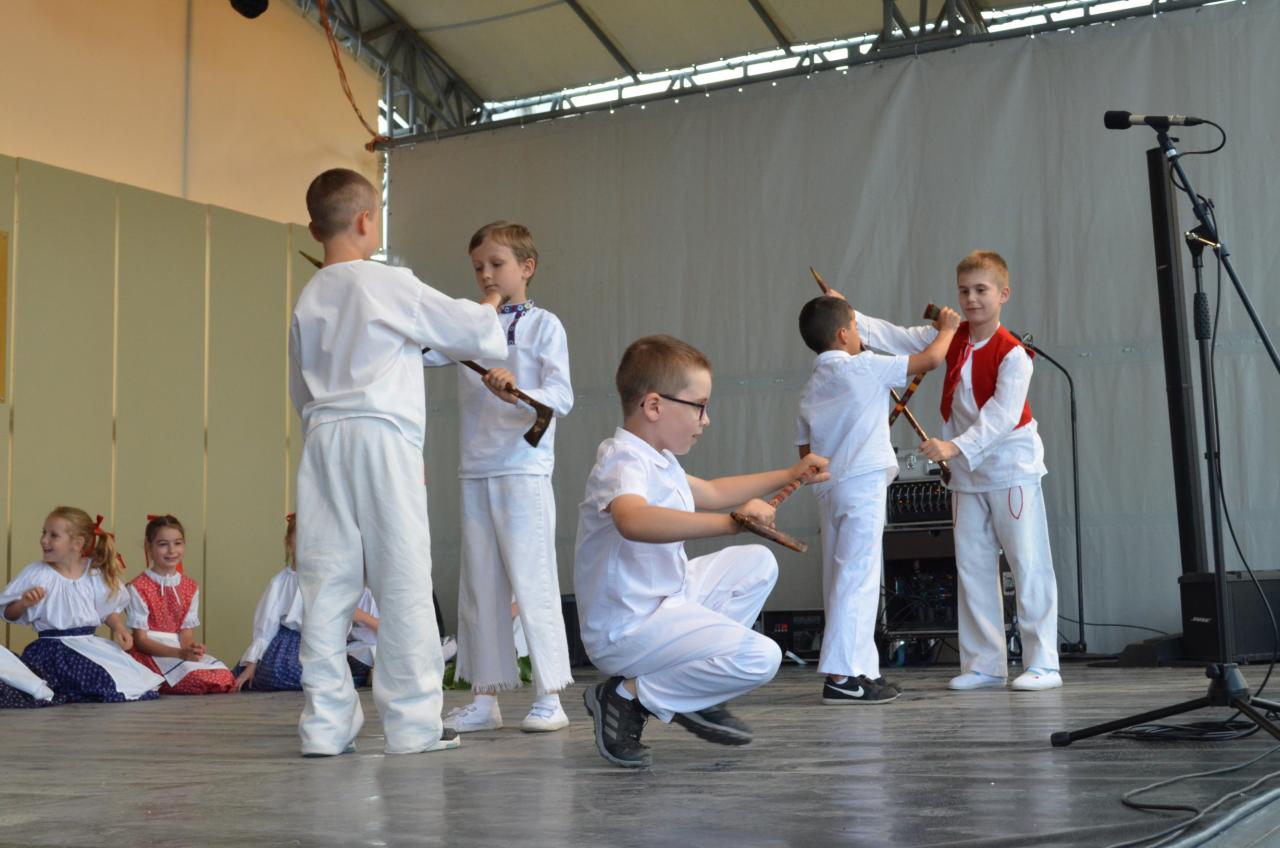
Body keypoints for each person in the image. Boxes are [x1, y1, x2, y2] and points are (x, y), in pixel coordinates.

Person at [290, 168, 507, 756]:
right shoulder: (389, 282)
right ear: (367, 220)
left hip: (322, 438)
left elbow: (299, 389)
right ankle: (413, 725)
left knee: (325, 581)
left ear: (314, 229)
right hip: (382, 435)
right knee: (402, 575)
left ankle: (324, 726)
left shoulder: (308, 297)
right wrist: (493, 299)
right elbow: (470, 331)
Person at [574, 335, 830, 768]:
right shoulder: (622, 461)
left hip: (663, 604)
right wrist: (733, 523)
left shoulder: (659, 459)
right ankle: (626, 696)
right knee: (761, 657)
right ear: (654, 406)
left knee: (757, 563)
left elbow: (712, 491)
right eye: (699, 406)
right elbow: (633, 520)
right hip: (627, 629)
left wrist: (792, 472)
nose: (706, 420)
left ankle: (691, 688)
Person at [854, 251, 1061, 691]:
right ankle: (985, 664)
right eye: (964, 291)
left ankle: (1044, 663)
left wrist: (953, 446)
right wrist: (847, 315)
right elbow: (898, 337)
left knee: (1028, 564)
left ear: (1003, 294)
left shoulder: (1014, 354)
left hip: (1011, 468)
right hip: (966, 474)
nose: (971, 299)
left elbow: (1002, 416)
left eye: (981, 290)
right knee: (973, 567)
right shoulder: (952, 337)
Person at [426, 221, 575, 734]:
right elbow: (425, 352)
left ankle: (550, 696)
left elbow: (561, 396)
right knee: (479, 586)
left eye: (497, 264)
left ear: (526, 267)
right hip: (475, 468)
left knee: (533, 579)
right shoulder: (472, 326)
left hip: (522, 468)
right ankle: (483, 699)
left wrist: (518, 392)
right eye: (478, 268)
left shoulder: (545, 326)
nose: (486, 274)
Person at [795, 294, 960, 704]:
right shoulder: (864, 367)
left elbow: (805, 452)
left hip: (829, 488)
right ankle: (840, 677)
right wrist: (949, 328)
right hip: (861, 484)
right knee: (858, 579)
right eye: (855, 327)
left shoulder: (810, 388)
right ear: (843, 334)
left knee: (843, 580)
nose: (860, 334)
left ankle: (862, 670)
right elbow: (930, 359)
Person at [0, 507, 163, 703]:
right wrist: (23, 603)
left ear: (77, 543)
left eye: (53, 535)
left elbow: (106, 609)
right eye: (44, 533)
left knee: (129, 675)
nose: (44, 540)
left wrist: (119, 628)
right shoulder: (37, 573)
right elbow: (9, 614)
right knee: (99, 678)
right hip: (54, 649)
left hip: (90, 644)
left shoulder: (94, 573)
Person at [126, 514, 236, 694]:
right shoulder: (138, 587)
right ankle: (157, 679)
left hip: (178, 651)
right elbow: (141, 640)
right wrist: (180, 654)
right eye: (163, 544)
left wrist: (191, 649)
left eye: (177, 543)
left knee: (224, 675)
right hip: (151, 653)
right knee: (198, 678)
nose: (171, 550)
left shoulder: (190, 586)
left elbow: (185, 633)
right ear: (149, 547)